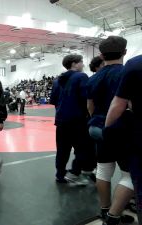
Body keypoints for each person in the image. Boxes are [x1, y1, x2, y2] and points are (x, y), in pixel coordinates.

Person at [87, 36, 134, 225]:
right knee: (130, 174)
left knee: (103, 170)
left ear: (101, 55)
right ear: (124, 52)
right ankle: (114, 217)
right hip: (121, 129)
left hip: (97, 128)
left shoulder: (93, 78)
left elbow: (89, 106)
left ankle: (104, 210)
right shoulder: (127, 73)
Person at [105, 54, 142, 224]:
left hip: (134, 134)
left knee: (109, 171)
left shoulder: (135, 64)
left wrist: (108, 131)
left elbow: (118, 104)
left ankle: (110, 215)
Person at [50, 54, 92, 185]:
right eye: (81, 62)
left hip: (61, 120)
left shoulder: (57, 80)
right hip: (77, 120)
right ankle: (75, 172)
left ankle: (60, 174)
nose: (83, 65)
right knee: (83, 148)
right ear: (74, 63)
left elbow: (54, 100)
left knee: (62, 149)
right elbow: (86, 97)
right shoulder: (81, 76)